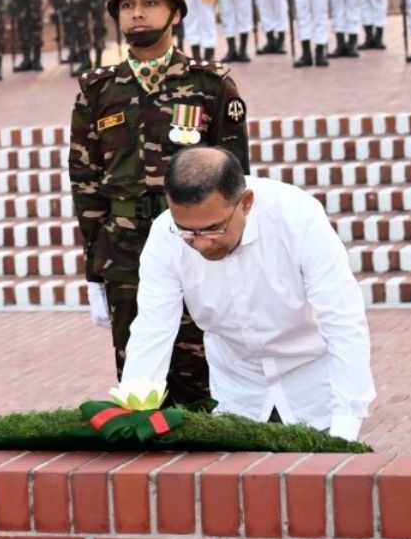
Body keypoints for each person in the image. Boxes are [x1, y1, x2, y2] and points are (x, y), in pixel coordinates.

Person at [71, 0, 247, 405]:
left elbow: (236, 179)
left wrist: (229, 249)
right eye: (126, 5)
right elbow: (85, 185)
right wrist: (95, 271)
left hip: (194, 243)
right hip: (125, 250)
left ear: (176, 13)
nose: (137, 13)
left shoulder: (211, 86)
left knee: (202, 374)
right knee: (140, 381)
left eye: (150, 2)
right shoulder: (97, 91)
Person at [119, 146, 374, 439]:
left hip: (315, 386)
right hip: (238, 390)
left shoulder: (297, 216)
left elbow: (342, 319)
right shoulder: (165, 235)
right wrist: (134, 410)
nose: (201, 244)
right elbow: (153, 327)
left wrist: (346, 421)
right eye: (187, 231)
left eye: (213, 229)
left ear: (246, 202)